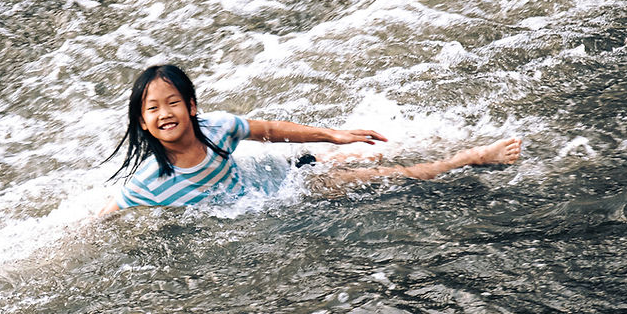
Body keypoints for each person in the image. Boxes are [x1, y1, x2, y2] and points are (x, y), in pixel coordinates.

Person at [99, 63, 521, 214]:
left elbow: (267, 131)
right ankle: (472, 156)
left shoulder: (215, 128)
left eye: (171, 103)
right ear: (142, 122)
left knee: (366, 158)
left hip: (282, 180)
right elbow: (110, 213)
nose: (163, 114)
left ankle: (451, 145)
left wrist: (331, 135)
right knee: (389, 174)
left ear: (191, 106)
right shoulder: (152, 181)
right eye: (151, 109)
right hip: (288, 193)